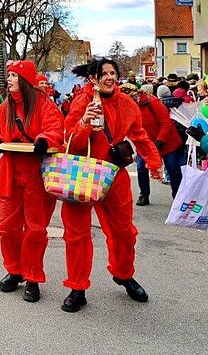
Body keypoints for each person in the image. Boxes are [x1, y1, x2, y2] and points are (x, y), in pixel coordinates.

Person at [60, 58, 163, 313]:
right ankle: (77, 287)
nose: (109, 77)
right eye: (103, 73)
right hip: (82, 173)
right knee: (76, 234)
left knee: (124, 232)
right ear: (93, 78)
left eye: (112, 73)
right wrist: (84, 122)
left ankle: (123, 273)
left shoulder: (127, 103)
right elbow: (69, 142)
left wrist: (154, 162)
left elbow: (139, 135)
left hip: (114, 175)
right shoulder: (82, 102)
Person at [0, 60, 63, 303]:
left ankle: (32, 276)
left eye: (13, 75)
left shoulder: (44, 104)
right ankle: (14, 270)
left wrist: (44, 140)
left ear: (26, 80)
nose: (9, 79)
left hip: (36, 175)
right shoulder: (5, 107)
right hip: (9, 173)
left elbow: (55, 130)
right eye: (8, 75)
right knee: (7, 227)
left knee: (35, 229)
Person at [120, 82, 182, 206]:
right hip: (145, 143)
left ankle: (178, 197)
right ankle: (144, 194)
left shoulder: (152, 102)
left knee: (173, 170)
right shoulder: (127, 108)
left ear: (134, 96)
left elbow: (166, 124)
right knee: (141, 168)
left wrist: (158, 143)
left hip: (167, 142)